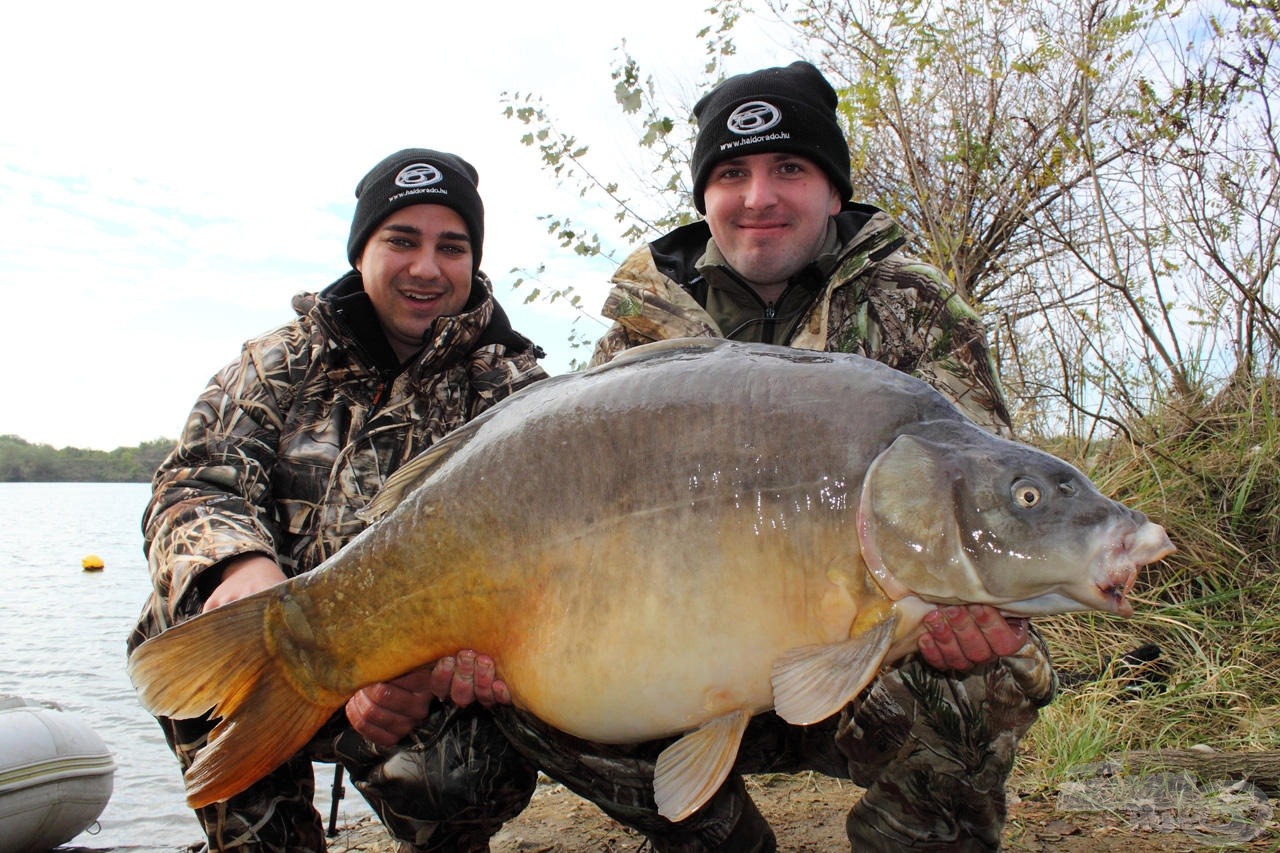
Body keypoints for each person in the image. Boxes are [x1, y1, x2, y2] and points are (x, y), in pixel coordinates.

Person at [489, 62, 1058, 851]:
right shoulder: (640, 332)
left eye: (789, 167)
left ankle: (916, 836)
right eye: (732, 173)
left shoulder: (915, 306)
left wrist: (991, 609)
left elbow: (987, 499)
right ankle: (718, 838)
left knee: (991, 664)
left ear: (833, 189)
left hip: (866, 665)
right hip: (688, 656)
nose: (759, 196)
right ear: (705, 196)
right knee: (522, 675)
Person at [127, 149, 549, 852]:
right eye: (401, 240)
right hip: (282, 644)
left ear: (473, 263)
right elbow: (192, 482)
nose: (426, 267)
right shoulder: (277, 363)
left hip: (415, 686)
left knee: (466, 767)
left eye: (452, 247)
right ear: (361, 252)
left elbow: (538, 555)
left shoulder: (515, 391)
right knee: (183, 611)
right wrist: (242, 571)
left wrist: (419, 670)